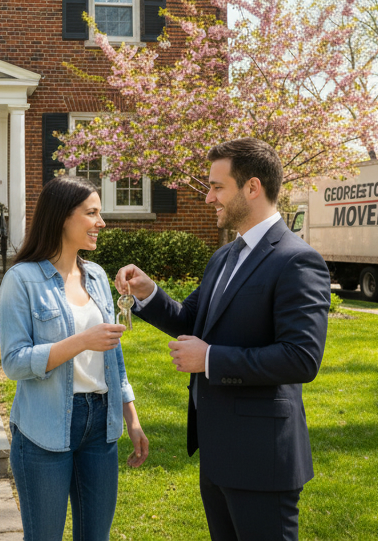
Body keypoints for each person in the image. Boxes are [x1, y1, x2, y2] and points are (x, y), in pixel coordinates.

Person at [115, 138, 331, 541]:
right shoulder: (224, 256)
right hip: (217, 455)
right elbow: (192, 320)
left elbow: (301, 358)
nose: (209, 197)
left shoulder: (297, 260)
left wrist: (210, 359)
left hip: (262, 460)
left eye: (217, 187)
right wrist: (149, 293)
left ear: (252, 188)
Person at [0, 175, 150, 541]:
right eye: (92, 213)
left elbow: (113, 357)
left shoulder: (96, 276)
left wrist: (131, 417)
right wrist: (81, 341)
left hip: (101, 425)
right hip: (44, 428)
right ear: (63, 217)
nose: (101, 222)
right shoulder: (21, 280)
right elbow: (14, 361)